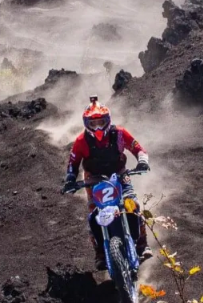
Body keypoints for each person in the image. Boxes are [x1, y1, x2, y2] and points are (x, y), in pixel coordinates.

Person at [63, 97, 151, 271]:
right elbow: (73, 163)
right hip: (93, 178)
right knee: (94, 214)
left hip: (119, 173)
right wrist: (70, 180)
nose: (97, 127)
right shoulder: (81, 141)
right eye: (92, 123)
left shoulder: (119, 133)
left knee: (133, 204)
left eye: (101, 122)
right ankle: (101, 253)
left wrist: (142, 161)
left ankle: (142, 244)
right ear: (86, 123)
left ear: (108, 120)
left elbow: (138, 148)